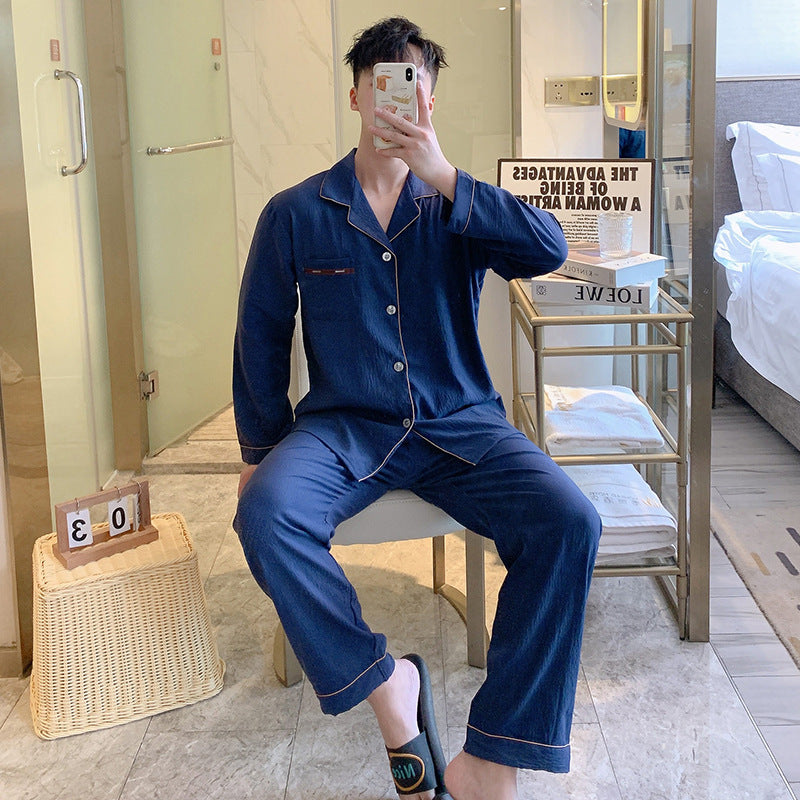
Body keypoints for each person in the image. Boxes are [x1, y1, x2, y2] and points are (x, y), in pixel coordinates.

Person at [233, 17, 601, 800]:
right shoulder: (296, 212)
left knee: (570, 521)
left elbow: (549, 249)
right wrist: (259, 451)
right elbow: (260, 333)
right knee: (265, 514)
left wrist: (445, 175)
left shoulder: (457, 206)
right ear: (357, 97)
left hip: (459, 423)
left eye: (413, 87)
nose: (397, 101)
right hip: (343, 430)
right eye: (382, 86)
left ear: (430, 100)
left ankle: (491, 759)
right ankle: (388, 688)